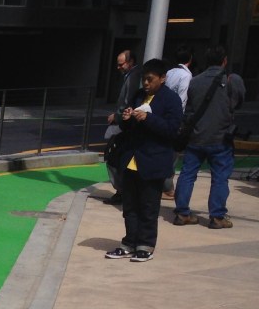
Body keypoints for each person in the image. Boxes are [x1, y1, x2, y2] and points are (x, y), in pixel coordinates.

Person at [105, 58, 183, 263]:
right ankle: (129, 242)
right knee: (129, 206)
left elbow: (171, 129)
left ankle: (145, 244)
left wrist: (148, 118)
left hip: (153, 160)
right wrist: (127, 117)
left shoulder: (171, 99)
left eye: (150, 79)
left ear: (162, 78)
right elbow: (125, 125)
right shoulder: (139, 95)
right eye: (144, 80)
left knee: (148, 207)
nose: (146, 84)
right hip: (132, 158)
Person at [173, 44, 246, 229]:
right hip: (221, 138)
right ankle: (217, 216)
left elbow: (190, 108)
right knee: (220, 177)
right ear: (225, 60)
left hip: (196, 137)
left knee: (188, 174)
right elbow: (239, 102)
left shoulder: (195, 81)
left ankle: (182, 212)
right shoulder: (231, 80)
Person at [104, 49, 140, 205]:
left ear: (130, 62)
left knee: (113, 156)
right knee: (117, 157)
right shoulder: (130, 76)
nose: (118, 68)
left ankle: (121, 191)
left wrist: (117, 117)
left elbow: (127, 102)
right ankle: (123, 190)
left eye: (121, 64)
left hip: (124, 125)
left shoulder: (134, 77)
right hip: (125, 123)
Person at [162, 45, 193, 199]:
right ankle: (167, 187)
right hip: (175, 118)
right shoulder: (186, 76)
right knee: (173, 153)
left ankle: (165, 185)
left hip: (163, 115)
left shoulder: (169, 72)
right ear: (190, 59)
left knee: (164, 149)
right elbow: (183, 98)